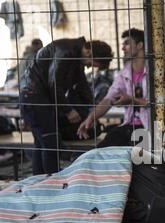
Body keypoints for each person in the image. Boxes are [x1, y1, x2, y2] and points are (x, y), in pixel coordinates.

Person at [20, 37, 112, 175]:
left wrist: (92, 112)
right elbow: (54, 84)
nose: (88, 67)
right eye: (91, 64)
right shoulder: (65, 52)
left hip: (37, 97)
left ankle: (40, 183)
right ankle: (52, 184)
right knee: (51, 143)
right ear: (88, 52)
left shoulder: (75, 55)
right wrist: (68, 111)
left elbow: (82, 86)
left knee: (43, 143)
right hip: (34, 97)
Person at [77, 28, 160, 147]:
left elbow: (158, 104)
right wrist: (90, 119)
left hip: (150, 127)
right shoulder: (124, 73)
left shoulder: (157, 73)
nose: (122, 48)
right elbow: (108, 99)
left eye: (126, 43)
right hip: (129, 126)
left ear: (140, 45)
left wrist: (131, 100)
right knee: (101, 150)